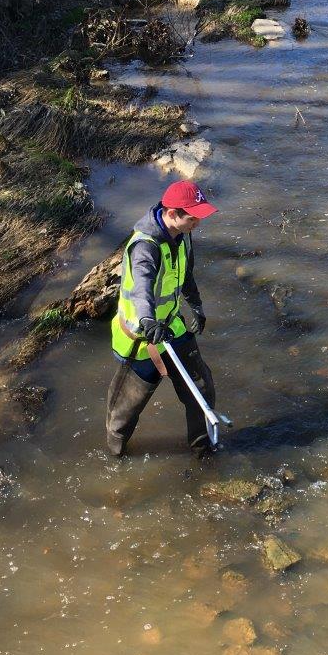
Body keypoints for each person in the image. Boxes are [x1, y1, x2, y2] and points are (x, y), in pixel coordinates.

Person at [106, 180, 219, 456]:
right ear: (171, 213)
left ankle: (203, 451)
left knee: (201, 389)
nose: (197, 223)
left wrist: (197, 307)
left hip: (172, 327)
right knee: (125, 410)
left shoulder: (183, 235)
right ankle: (115, 455)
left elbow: (186, 275)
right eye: (193, 218)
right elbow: (141, 288)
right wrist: (147, 321)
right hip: (141, 338)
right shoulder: (145, 247)